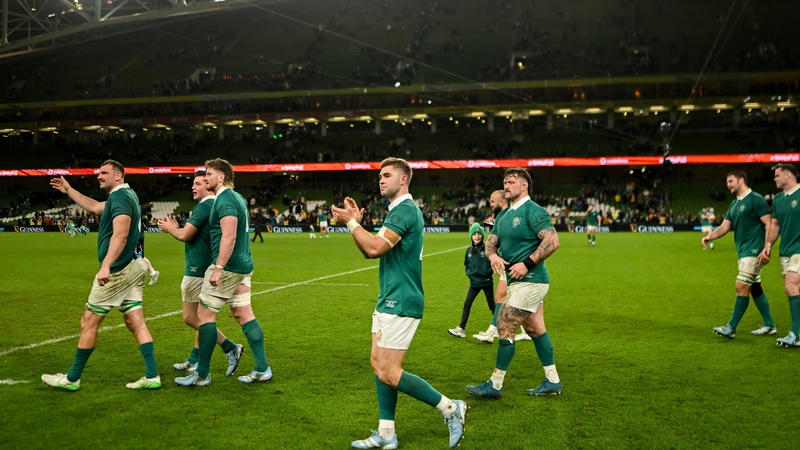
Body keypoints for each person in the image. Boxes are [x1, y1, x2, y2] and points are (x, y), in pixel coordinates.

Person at [331, 157, 467, 449]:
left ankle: (451, 408)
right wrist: (357, 223)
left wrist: (352, 222)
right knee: (378, 365)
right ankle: (387, 433)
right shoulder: (398, 211)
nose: (381, 179)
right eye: (379, 175)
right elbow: (370, 251)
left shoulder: (404, 210)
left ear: (403, 179)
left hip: (402, 300)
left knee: (390, 372)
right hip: (389, 298)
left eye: (387, 175)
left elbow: (374, 247)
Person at [43, 160, 160, 390]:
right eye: (98, 173)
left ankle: (72, 379)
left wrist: (106, 265)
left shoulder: (120, 198)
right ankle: (152, 375)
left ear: (118, 176)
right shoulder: (126, 196)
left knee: (88, 321)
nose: (98, 176)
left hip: (118, 271)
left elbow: (122, 233)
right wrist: (69, 190)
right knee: (135, 321)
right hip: (134, 266)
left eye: (104, 173)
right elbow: (95, 207)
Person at [466, 167, 562, 399]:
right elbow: (491, 243)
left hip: (531, 280)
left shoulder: (533, 210)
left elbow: (552, 240)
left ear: (524, 185)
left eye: (511, 182)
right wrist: (493, 256)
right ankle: (553, 381)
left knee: (505, 325)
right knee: (535, 328)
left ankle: (495, 385)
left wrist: (527, 263)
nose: (506, 185)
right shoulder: (504, 215)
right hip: (517, 282)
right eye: (505, 182)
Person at [175, 158, 272, 386]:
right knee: (243, 314)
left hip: (228, 266)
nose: (205, 177)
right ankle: (261, 368)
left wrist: (218, 268)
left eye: (209, 174)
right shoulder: (236, 197)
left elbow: (229, 235)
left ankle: (201, 375)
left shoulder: (226, 199)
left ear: (221, 177)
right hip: (243, 265)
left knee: (204, 316)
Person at [157, 170, 245, 376]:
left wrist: (171, 228)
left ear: (208, 185)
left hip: (197, 269)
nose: (193, 187)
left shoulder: (204, 206)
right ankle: (195, 360)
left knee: (191, 318)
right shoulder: (216, 205)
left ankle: (229, 346)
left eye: (198, 183)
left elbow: (185, 235)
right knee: (201, 316)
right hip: (208, 266)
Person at [703, 171, 776, 339]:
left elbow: (768, 223)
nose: (727, 184)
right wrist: (709, 236)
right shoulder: (734, 205)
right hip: (743, 252)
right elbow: (724, 226)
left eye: (730, 181)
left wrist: (767, 246)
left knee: (741, 285)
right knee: (755, 287)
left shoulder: (756, 199)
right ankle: (770, 325)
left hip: (754, 251)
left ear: (741, 180)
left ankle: (731, 327)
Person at [473, 190, 531, 344]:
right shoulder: (506, 215)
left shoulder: (510, 215)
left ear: (501, 202)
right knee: (524, 300)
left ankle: (492, 332)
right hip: (513, 262)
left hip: (516, 263)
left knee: (501, 296)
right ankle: (525, 331)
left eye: (492, 202)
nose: (490, 205)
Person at [760, 164, 800, 347]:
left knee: (790, 286)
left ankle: (795, 335)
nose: (774, 179)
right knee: (795, 290)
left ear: (788, 175)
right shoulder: (778, 200)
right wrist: (768, 245)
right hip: (785, 250)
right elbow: (775, 225)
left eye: (777, 175)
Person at [448, 222, 496, 338]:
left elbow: (494, 261)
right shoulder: (469, 251)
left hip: (486, 281)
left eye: (479, 233)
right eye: (474, 234)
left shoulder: (487, 248)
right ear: (471, 236)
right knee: (467, 304)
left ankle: (500, 328)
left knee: (492, 306)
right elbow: (466, 264)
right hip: (474, 282)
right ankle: (461, 329)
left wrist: (487, 272)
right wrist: (469, 273)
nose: (477, 236)